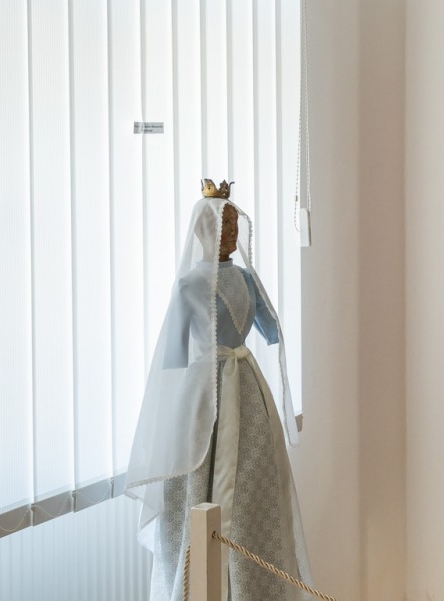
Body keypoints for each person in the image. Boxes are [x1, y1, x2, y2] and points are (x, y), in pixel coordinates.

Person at [125, 181, 312, 600]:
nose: (229, 233)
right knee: (199, 479)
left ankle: (248, 581)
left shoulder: (243, 279)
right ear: (202, 231)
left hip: (239, 386)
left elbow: (267, 329)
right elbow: (175, 354)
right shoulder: (191, 285)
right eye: (221, 225)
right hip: (206, 393)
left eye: (232, 225)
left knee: (248, 482)